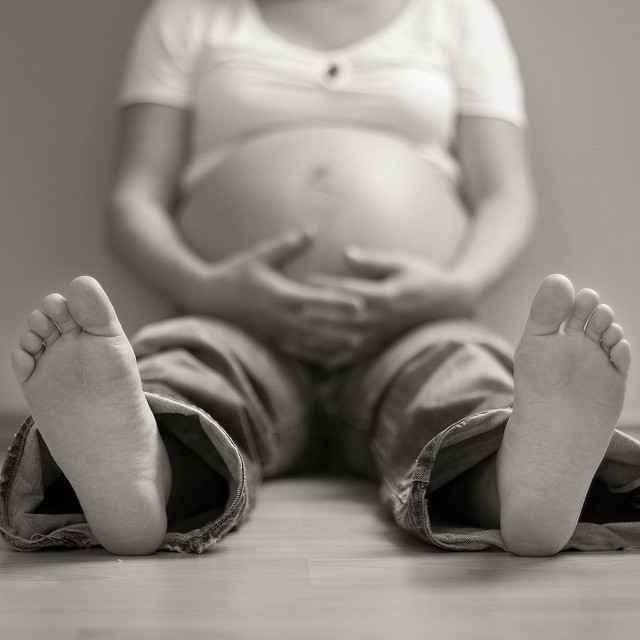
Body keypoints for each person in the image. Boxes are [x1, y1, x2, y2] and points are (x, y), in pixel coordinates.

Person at [2, 0, 640, 558]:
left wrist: (455, 288)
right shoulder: (190, 13)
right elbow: (134, 200)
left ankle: (523, 486)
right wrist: (206, 288)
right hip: (234, 319)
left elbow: (507, 197)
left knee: (458, 371)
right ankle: (139, 480)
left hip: (412, 324)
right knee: (190, 366)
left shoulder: (456, 14)